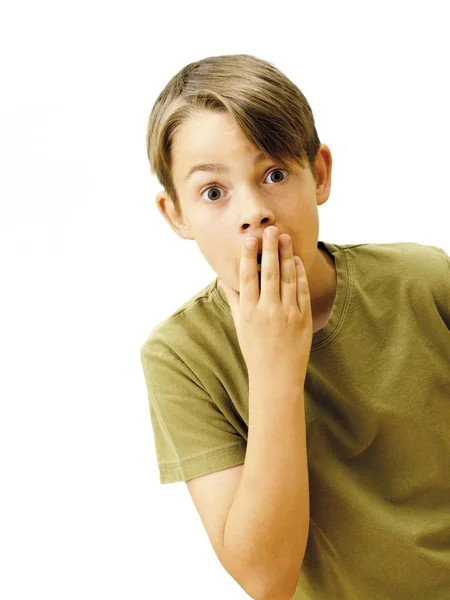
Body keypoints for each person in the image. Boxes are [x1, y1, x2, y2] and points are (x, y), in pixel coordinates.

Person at [140, 53, 450, 599]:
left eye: (275, 174)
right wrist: (275, 370)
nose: (254, 211)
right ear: (177, 215)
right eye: (214, 192)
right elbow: (267, 578)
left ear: (321, 174)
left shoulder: (424, 282)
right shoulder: (180, 356)